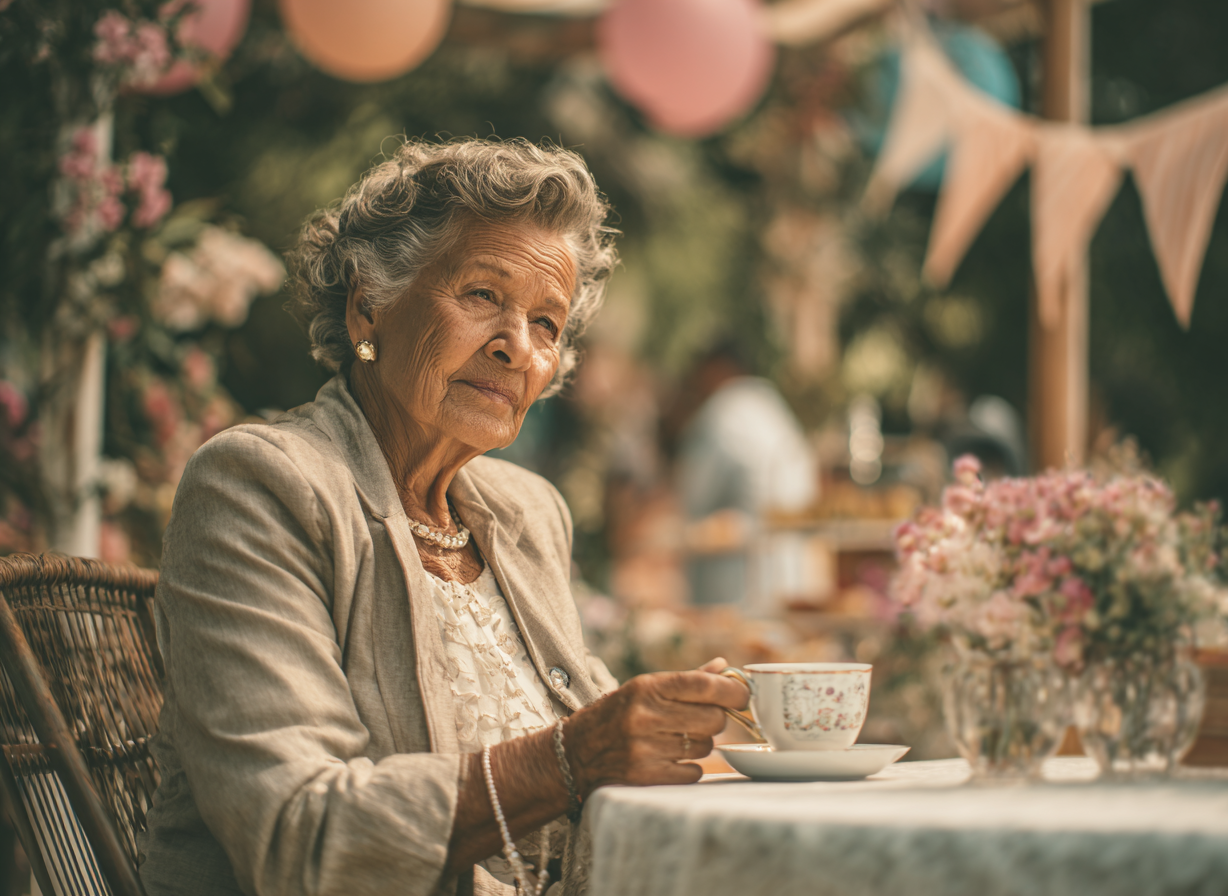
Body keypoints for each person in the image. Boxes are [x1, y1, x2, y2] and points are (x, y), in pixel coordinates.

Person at [138, 138, 749, 896]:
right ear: (370, 305)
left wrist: (687, 736)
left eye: (547, 324)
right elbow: (303, 834)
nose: (516, 348)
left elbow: (600, 762)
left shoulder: (528, 513)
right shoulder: (261, 487)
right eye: (483, 296)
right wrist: (571, 759)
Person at [676, 342, 818, 609]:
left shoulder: (721, 412)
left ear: (718, 369)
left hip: (736, 585)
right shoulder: (773, 408)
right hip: (792, 574)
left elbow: (692, 496)